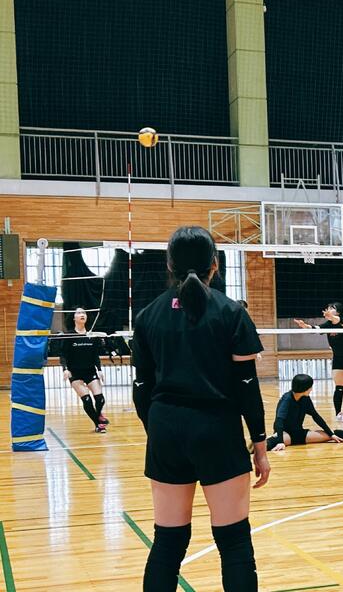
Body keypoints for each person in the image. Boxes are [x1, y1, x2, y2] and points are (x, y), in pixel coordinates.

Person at [131, 226, 269, 591]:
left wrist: (157, 432)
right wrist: (260, 445)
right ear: (215, 264)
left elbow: (141, 389)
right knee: (234, 542)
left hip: (165, 429)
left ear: (169, 264)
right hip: (216, 430)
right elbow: (247, 387)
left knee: (167, 543)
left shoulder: (147, 316)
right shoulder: (231, 312)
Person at [267, 374, 343, 451]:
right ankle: (258, 448)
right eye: (310, 387)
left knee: (337, 434)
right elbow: (279, 421)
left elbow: (316, 416)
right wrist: (280, 441)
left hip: (299, 433)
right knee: (271, 442)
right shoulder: (287, 399)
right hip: (284, 434)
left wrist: (331, 434)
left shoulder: (305, 399)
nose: (311, 389)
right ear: (305, 388)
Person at [295, 303, 343, 422]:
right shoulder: (328, 324)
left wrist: (332, 317)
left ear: (338, 311)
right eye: (329, 308)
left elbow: (342, 322)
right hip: (338, 358)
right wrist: (305, 326)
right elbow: (316, 329)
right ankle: (339, 414)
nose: (329, 310)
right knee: (339, 387)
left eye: (332, 308)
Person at [59, 307, 108, 433]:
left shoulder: (91, 335)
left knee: (100, 399)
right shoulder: (69, 335)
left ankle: (98, 415)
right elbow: (63, 355)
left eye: (84, 313)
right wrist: (65, 369)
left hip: (90, 371)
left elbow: (95, 355)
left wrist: (99, 370)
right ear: (74, 317)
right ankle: (98, 424)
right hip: (75, 373)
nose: (82, 315)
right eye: (79, 313)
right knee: (87, 399)